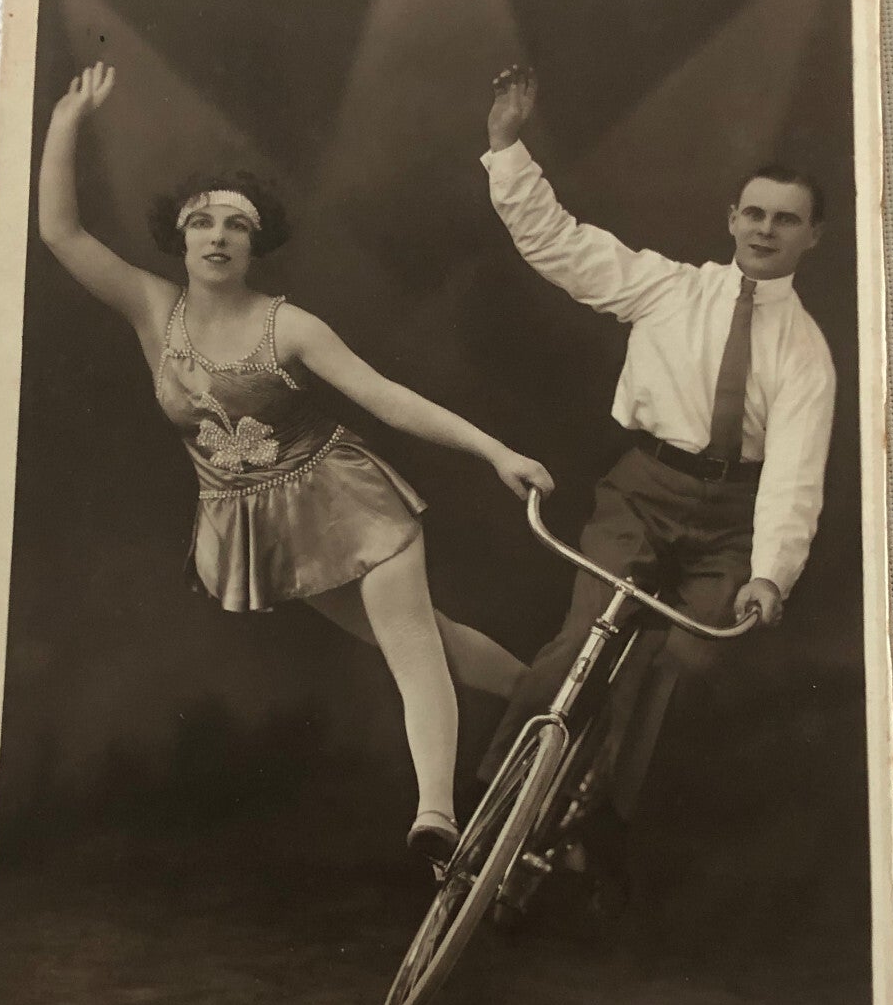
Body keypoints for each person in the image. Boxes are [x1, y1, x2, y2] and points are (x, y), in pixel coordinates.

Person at [38, 62, 554, 864]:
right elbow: (61, 233)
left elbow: (389, 399)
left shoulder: (293, 327)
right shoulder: (152, 308)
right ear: (179, 234)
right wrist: (68, 120)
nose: (216, 236)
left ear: (256, 242)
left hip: (347, 497)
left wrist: (497, 452)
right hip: (257, 525)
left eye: (234, 225)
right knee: (434, 641)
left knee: (411, 643)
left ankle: (437, 817)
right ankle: (552, 704)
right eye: (202, 221)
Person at [478, 65, 836, 875]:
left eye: (787, 220)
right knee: (580, 642)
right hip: (642, 493)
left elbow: (794, 473)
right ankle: (493, 811)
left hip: (732, 525)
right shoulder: (669, 289)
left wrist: (771, 573)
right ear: (731, 218)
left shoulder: (807, 353)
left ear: (813, 237)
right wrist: (507, 148)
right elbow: (561, 245)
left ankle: (594, 818)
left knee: (680, 660)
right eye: (754, 213)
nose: (765, 230)